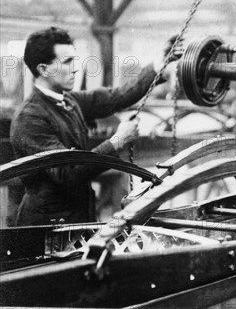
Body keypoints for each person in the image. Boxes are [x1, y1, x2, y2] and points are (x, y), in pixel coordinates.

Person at [10, 27, 183, 226]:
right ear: (43, 69)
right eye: (67, 62)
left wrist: (157, 65)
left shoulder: (70, 101)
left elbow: (117, 96)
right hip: (46, 228)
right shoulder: (30, 118)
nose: (75, 68)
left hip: (76, 219)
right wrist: (116, 141)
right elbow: (69, 173)